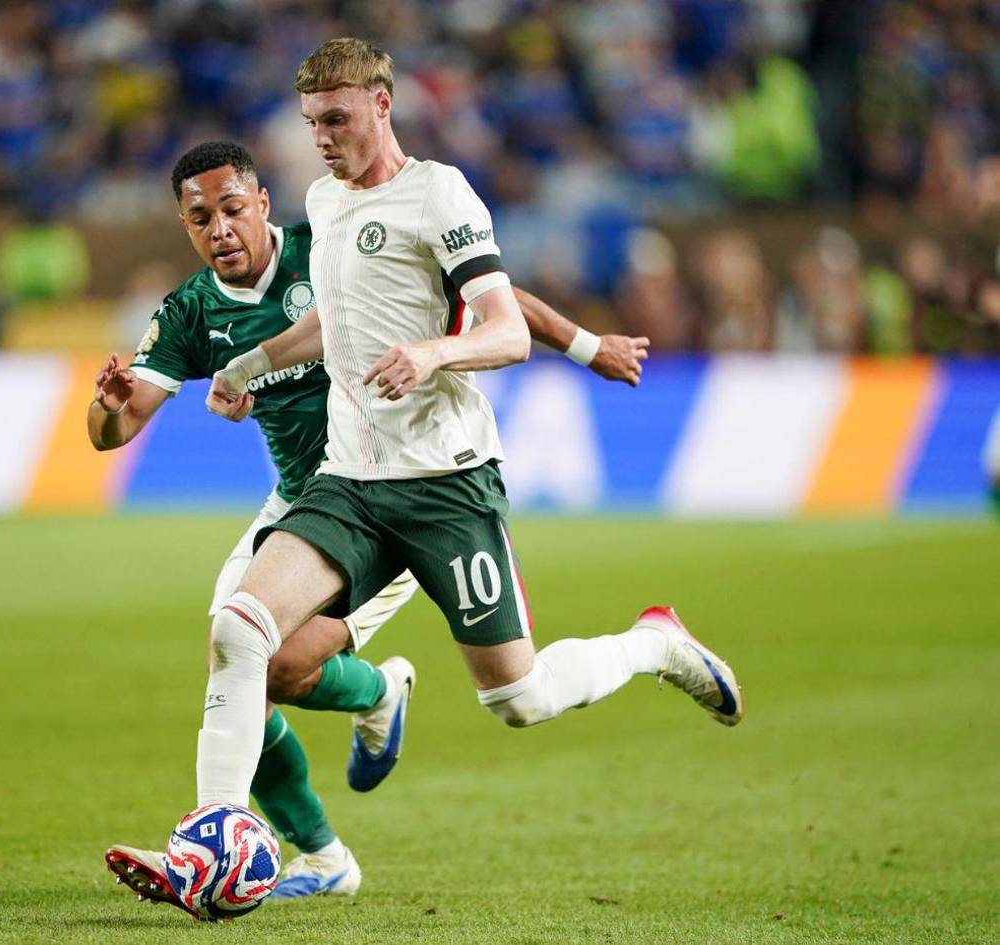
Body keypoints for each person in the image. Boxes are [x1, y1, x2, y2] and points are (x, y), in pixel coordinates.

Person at [190, 36, 743, 897]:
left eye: (336, 119)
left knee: (517, 698)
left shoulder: (439, 193)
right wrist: (250, 365)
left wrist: (434, 352)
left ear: (382, 105)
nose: (322, 138)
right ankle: (214, 834)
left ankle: (654, 644)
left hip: (447, 484)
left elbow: (505, 327)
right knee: (240, 630)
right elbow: (336, 319)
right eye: (311, 123)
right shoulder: (324, 200)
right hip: (350, 483)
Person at [93, 139, 649, 913]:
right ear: (184, 225)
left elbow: (489, 295)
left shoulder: (327, 244)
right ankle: (310, 834)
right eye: (200, 218)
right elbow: (115, 429)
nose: (219, 229)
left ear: (261, 202)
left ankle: (269, 821)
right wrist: (108, 407)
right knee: (239, 656)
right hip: (301, 505)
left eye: (231, 208)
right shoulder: (191, 310)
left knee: (270, 665)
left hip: (381, 497)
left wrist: (587, 346)